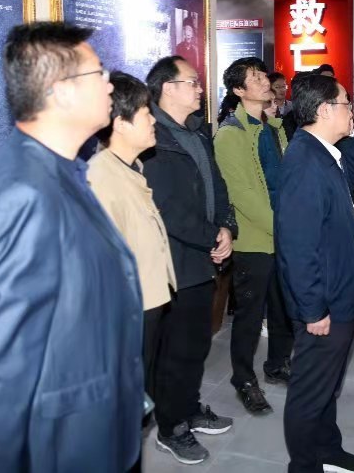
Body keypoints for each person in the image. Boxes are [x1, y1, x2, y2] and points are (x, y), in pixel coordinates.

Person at [0, 22, 143, 471]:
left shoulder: (63, 170)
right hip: (62, 445)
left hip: (97, 425)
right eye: (99, 74)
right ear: (61, 91)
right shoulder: (21, 191)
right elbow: (5, 366)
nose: (109, 84)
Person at [143, 56, 236, 464]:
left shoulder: (197, 132)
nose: (200, 88)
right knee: (175, 350)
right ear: (168, 88)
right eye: (193, 82)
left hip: (202, 254)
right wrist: (210, 236)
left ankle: (189, 407)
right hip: (173, 260)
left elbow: (218, 186)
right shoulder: (152, 136)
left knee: (196, 344)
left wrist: (226, 227)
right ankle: (171, 427)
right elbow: (166, 207)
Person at [276, 74, 354, 473]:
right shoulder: (305, 162)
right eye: (346, 103)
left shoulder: (324, 152)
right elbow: (297, 247)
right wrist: (313, 309)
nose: (352, 111)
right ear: (324, 110)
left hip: (338, 289)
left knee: (327, 383)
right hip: (324, 300)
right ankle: (304, 465)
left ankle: (327, 448)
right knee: (310, 390)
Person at [86, 72, 177, 462]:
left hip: (149, 303)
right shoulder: (101, 177)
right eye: (145, 112)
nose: (153, 119)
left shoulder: (130, 167)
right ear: (120, 123)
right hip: (128, 313)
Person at [214, 57, 294, 414]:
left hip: (283, 233)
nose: (264, 81)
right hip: (253, 239)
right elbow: (242, 194)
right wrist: (282, 227)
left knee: (283, 308)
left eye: (264, 75)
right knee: (249, 315)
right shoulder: (230, 134)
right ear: (238, 90)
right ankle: (244, 379)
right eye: (255, 77)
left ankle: (278, 364)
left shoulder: (275, 128)